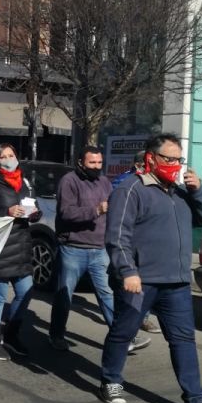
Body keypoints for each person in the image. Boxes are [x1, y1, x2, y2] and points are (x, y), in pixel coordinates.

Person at [99, 133, 202, 403]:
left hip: (176, 283)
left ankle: (195, 399)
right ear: (151, 159)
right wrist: (128, 270)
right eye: (169, 158)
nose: (175, 164)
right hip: (139, 282)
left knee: (183, 340)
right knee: (123, 332)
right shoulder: (130, 189)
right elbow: (117, 236)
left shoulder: (179, 194)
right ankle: (110, 380)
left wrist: (198, 190)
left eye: (179, 159)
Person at [48, 147, 150, 353]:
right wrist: (96, 210)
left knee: (107, 295)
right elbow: (66, 213)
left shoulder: (104, 182)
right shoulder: (69, 181)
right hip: (73, 248)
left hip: (99, 249)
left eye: (99, 163)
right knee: (64, 295)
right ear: (80, 163)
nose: (96, 167)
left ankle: (123, 337)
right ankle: (56, 334)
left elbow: (114, 208)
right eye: (92, 163)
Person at [0, 143, 41, 361]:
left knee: (26, 292)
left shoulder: (24, 181)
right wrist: (7, 211)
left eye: (11, 155)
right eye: (3, 156)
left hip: (21, 245)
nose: (8, 159)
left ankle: (12, 334)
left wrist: (34, 214)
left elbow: (34, 206)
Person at [111, 151, 161, 335]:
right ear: (140, 164)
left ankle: (143, 319)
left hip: (147, 245)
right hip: (128, 244)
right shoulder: (124, 181)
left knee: (145, 285)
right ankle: (124, 328)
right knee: (128, 290)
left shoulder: (153, 183)